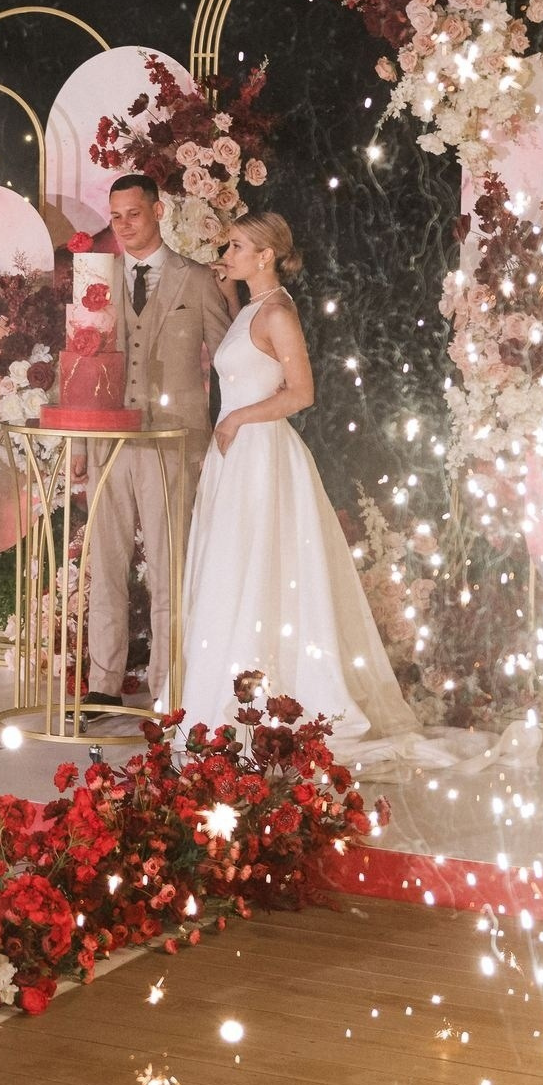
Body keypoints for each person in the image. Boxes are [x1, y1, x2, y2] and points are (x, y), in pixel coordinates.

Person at [176, 213, 433, 758]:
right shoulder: (251, 307)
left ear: (265, 254)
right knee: (236, 568)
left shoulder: (278, 312)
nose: (229, 250)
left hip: (261, 453)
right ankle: (230, 695)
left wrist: (238, 419)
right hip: (238, 458)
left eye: (239, 245)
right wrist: (225, 288)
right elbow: (244, 359)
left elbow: (301, 392)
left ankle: (258, 698)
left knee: (260, 568)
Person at [82, 174, 231, 706]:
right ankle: (103, 685)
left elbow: (229, 361)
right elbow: (81, 360)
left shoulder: (195, 279)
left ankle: (168, 688)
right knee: (105, 564)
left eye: (134, 214)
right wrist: (80, 444)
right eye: (116, 216)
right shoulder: (97, 277)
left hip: (174, 441)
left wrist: (226, 432)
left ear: (159, 210)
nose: (124, 225)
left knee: (170, 567)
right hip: (107, 441)